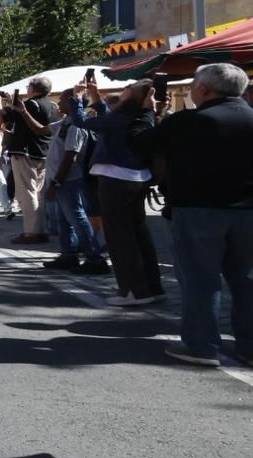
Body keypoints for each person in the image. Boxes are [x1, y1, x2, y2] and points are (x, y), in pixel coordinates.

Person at [129, 64, 253, 366]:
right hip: (248, 211)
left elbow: (139, 142)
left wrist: (146, 112)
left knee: (200, 279)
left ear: (203, 90)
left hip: (198, 209)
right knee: (247, 280)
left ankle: (202, 345)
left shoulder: (189, 121)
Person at [70, 78, 164, 306]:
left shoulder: (121, 118)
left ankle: (133, 290)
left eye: (127, 90)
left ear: (134, 96)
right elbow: (108, 119)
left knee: (120, 236)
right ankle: (152, 287)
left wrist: (77, 99)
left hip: (115, 178)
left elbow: (82, 121)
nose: (123, 92)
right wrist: (95, 97)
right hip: (137, 178)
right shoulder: (143, 116)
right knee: (139, 234)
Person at [41, 89, 106, 274]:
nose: (59, 102)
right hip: (61, 181)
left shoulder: (76, 126)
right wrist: (22, 111)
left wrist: (56, 183)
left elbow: (71, 156)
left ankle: (95, 258)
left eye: (62, 99)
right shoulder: (65, 122)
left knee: (77, 219)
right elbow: (41, 129)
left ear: (71, 102)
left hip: (69, 181)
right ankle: (69, 255)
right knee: (64, 221)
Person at [0, 76, 57, 244]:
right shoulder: (50, 104)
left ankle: (31, 232)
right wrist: (12, 102)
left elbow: (5, 119)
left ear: (33, 89)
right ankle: (40, 230)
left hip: (25, 151)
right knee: (39, 194)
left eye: (28, 87)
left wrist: (2, 104)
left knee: (27, 193)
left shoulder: (30, 104)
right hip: (42, 151)